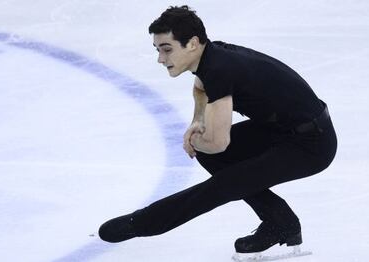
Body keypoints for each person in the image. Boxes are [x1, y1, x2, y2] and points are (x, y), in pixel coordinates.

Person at [98, 5, 337, 255]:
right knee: (219, 163)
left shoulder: (219, 69)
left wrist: (194, 141)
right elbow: (200, 89)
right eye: (158, 50)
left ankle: (142, 223)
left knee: (224, 185)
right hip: (282, 130)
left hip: (311, 145)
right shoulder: (212, 55)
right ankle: (282, 223)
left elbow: (218, 143)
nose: (161, 59)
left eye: (167, 49)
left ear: (191, 43)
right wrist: (198, 121)